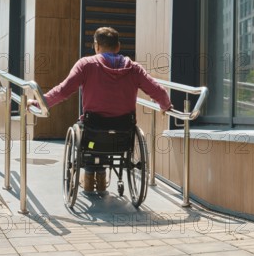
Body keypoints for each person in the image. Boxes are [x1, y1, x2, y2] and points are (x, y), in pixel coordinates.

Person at [29, 27, 172, 193]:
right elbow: (158, 90)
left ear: (96, 46)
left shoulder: (86, 65)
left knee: (85, 136)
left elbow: (63, 91)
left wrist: (39, 103)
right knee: (105, 135)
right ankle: (101, 175)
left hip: (92, 131)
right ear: (117, 46)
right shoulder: (134, 69)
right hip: (123, 134)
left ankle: (90, 175)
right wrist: (165, 105)